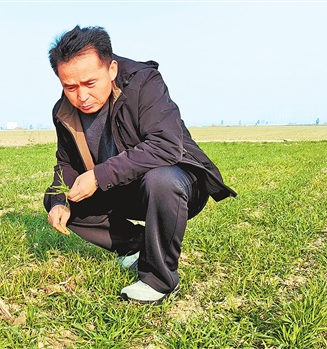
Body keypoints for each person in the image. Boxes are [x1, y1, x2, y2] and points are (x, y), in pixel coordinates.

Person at [44, 26, 237, 304]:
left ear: (111, 69)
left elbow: (166, 145)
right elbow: (66, 163)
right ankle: (135, 245)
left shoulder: (144, 83)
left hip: (177, 184)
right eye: (70, 87)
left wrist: (97, 176)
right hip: (122, 186)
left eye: (90, 83)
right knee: (60, 200)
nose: (81, 96)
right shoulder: (63, 111)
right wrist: (59, 200)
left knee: (161, 180)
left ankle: (159, 281)